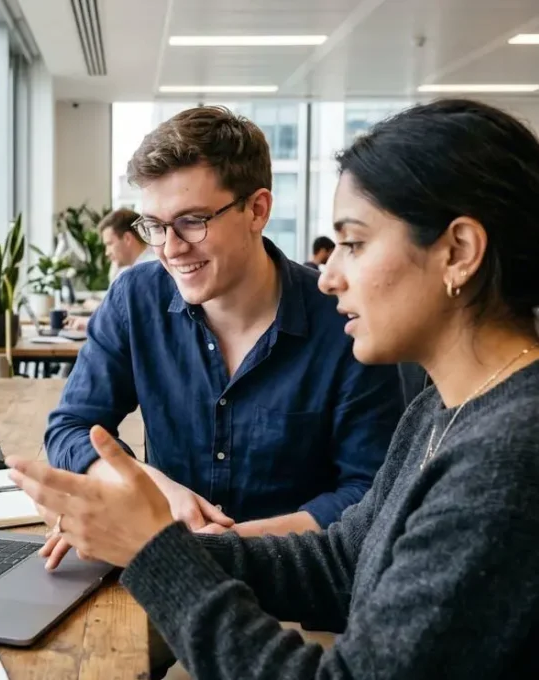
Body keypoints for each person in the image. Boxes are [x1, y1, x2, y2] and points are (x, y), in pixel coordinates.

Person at [11, 99, 539, 678]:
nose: (328, 278)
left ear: (459, 252)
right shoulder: (454, 406)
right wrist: (150, 539)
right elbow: (340, 560)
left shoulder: (522, 453)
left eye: (353, 244)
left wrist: (157, 554)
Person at [43, 105, 405, 569]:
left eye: (192, 221)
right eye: (155, 226)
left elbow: (369, 492)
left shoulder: (344, 323)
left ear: (257, 210)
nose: (171, 249)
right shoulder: (135, 299)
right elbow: (70, 427)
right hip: (165, 573)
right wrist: (150, 488)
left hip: (295, 581)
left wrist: (216, 546)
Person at [66, 210, 160, 331]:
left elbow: (136, 322)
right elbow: (118, 312)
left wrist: (91, 323)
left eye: (109, 244)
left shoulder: (150, 270)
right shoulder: (130, 269)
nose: (106, 252)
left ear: (127, 238)